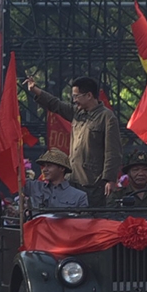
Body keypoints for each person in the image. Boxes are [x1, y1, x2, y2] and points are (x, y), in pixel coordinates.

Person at [26, 76, 122, 206]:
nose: (74, 100)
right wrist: (35, 90)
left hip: (93, 183)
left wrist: (110, 180)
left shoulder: (107, 117)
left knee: (90, 220)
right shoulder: (77, 113)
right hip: (72, 181)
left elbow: (113, 152)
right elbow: (55, 104)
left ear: (89, 95)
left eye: (76, 96)